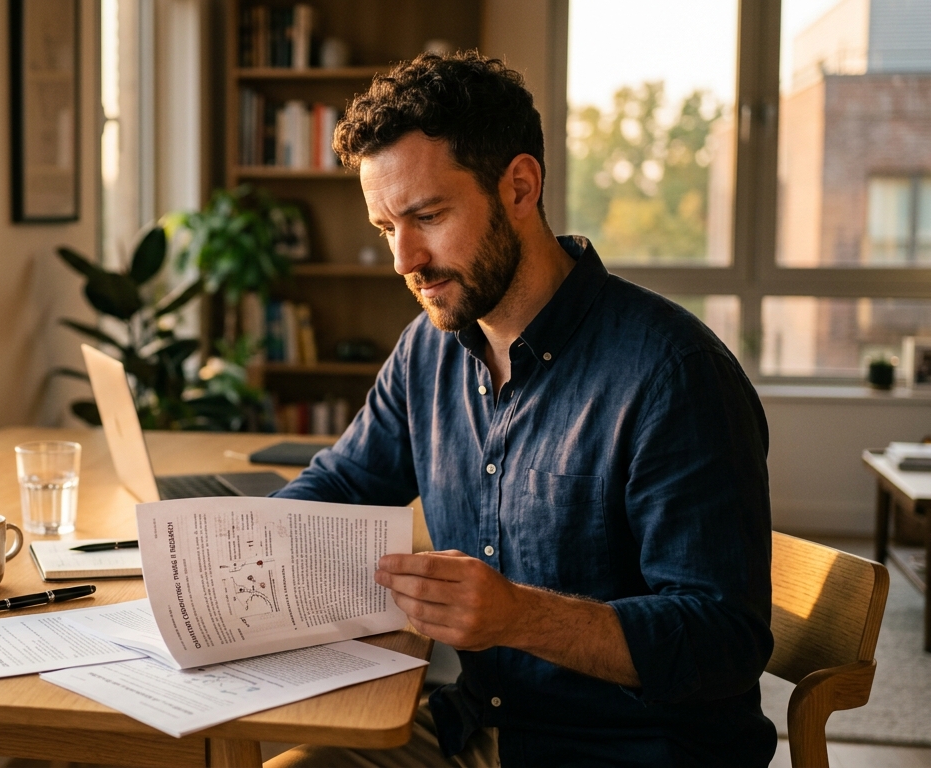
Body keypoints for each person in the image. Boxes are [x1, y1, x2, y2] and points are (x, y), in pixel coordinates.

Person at [270, 51, 775, 768]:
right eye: (386, 227)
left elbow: (721, 641)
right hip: (473, 730)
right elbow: (345, 486)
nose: (403, 260)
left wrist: (518, 616)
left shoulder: (674, 375)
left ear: (519, 187)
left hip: (631, 751)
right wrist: (224, 554)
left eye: (428, 217)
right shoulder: (430, 349)